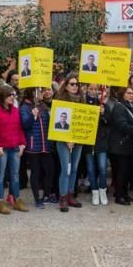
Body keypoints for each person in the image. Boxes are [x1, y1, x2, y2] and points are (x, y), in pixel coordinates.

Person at [0, 84, 27, 212]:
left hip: (15, 147)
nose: (12, 97)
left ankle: (17, 199)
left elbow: (19, 128)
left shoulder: (15, 110)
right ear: (2, 96)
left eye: (13, 95)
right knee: (0, 175)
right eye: (10, 95)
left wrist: (22, 144)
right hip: (2, 148)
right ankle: (0, 201)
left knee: (15, 175)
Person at [108, 87, 133, 206]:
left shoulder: (129, 106)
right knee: (121, 172)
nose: (131, 95)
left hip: (127, 145)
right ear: (122, 94)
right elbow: (122, 126)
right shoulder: (119, 107)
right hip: (120, 145)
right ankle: (119, 196)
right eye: (128, 93)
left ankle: (124, 194)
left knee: (127, 171)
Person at [53, 74, 84, 212]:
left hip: (78, 140)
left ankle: (71, 195)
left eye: (76, 84)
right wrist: (67, 139)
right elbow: (56, 124)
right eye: (72, 84)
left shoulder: (81, 101)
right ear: (66, 86)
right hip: (63, 140)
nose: (75, 86)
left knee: (74, 169)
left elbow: (84, 123)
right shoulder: (60, 100)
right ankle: (63, 198)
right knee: (66, 169)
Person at [20, 89, 52, 209]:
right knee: (35, 172)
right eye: (38, 91)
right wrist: (32, 116)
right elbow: (24, 125)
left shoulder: (42, 106)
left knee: (49, 170)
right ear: (32, 93)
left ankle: (46, 195)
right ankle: (37, 198)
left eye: (41, 91)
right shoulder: (24, 107)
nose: (41, 93)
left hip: (45, 144)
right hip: (33, 145)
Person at [84, 85, 110, 206]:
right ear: (87, 89)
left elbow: (109, 122)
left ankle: (102, 191)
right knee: (90, 169)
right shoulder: (83, 103)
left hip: (101, 142)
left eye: (96, 90)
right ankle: (94, 192)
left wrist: (103, 113)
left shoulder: (104, 105)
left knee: (103, 168)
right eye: (91, 89)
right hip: (88, 142)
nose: (94, 92)